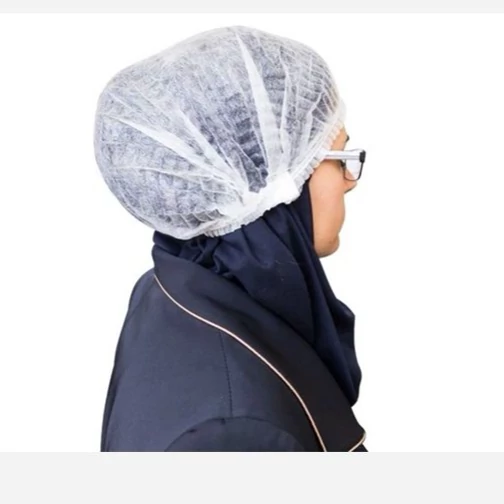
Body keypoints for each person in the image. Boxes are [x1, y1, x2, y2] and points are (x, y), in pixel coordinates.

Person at [94, 25, 368, 452]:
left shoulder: (173, 286)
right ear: (273, 180)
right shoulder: (234, 434)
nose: (350, 181)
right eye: (339, 159)